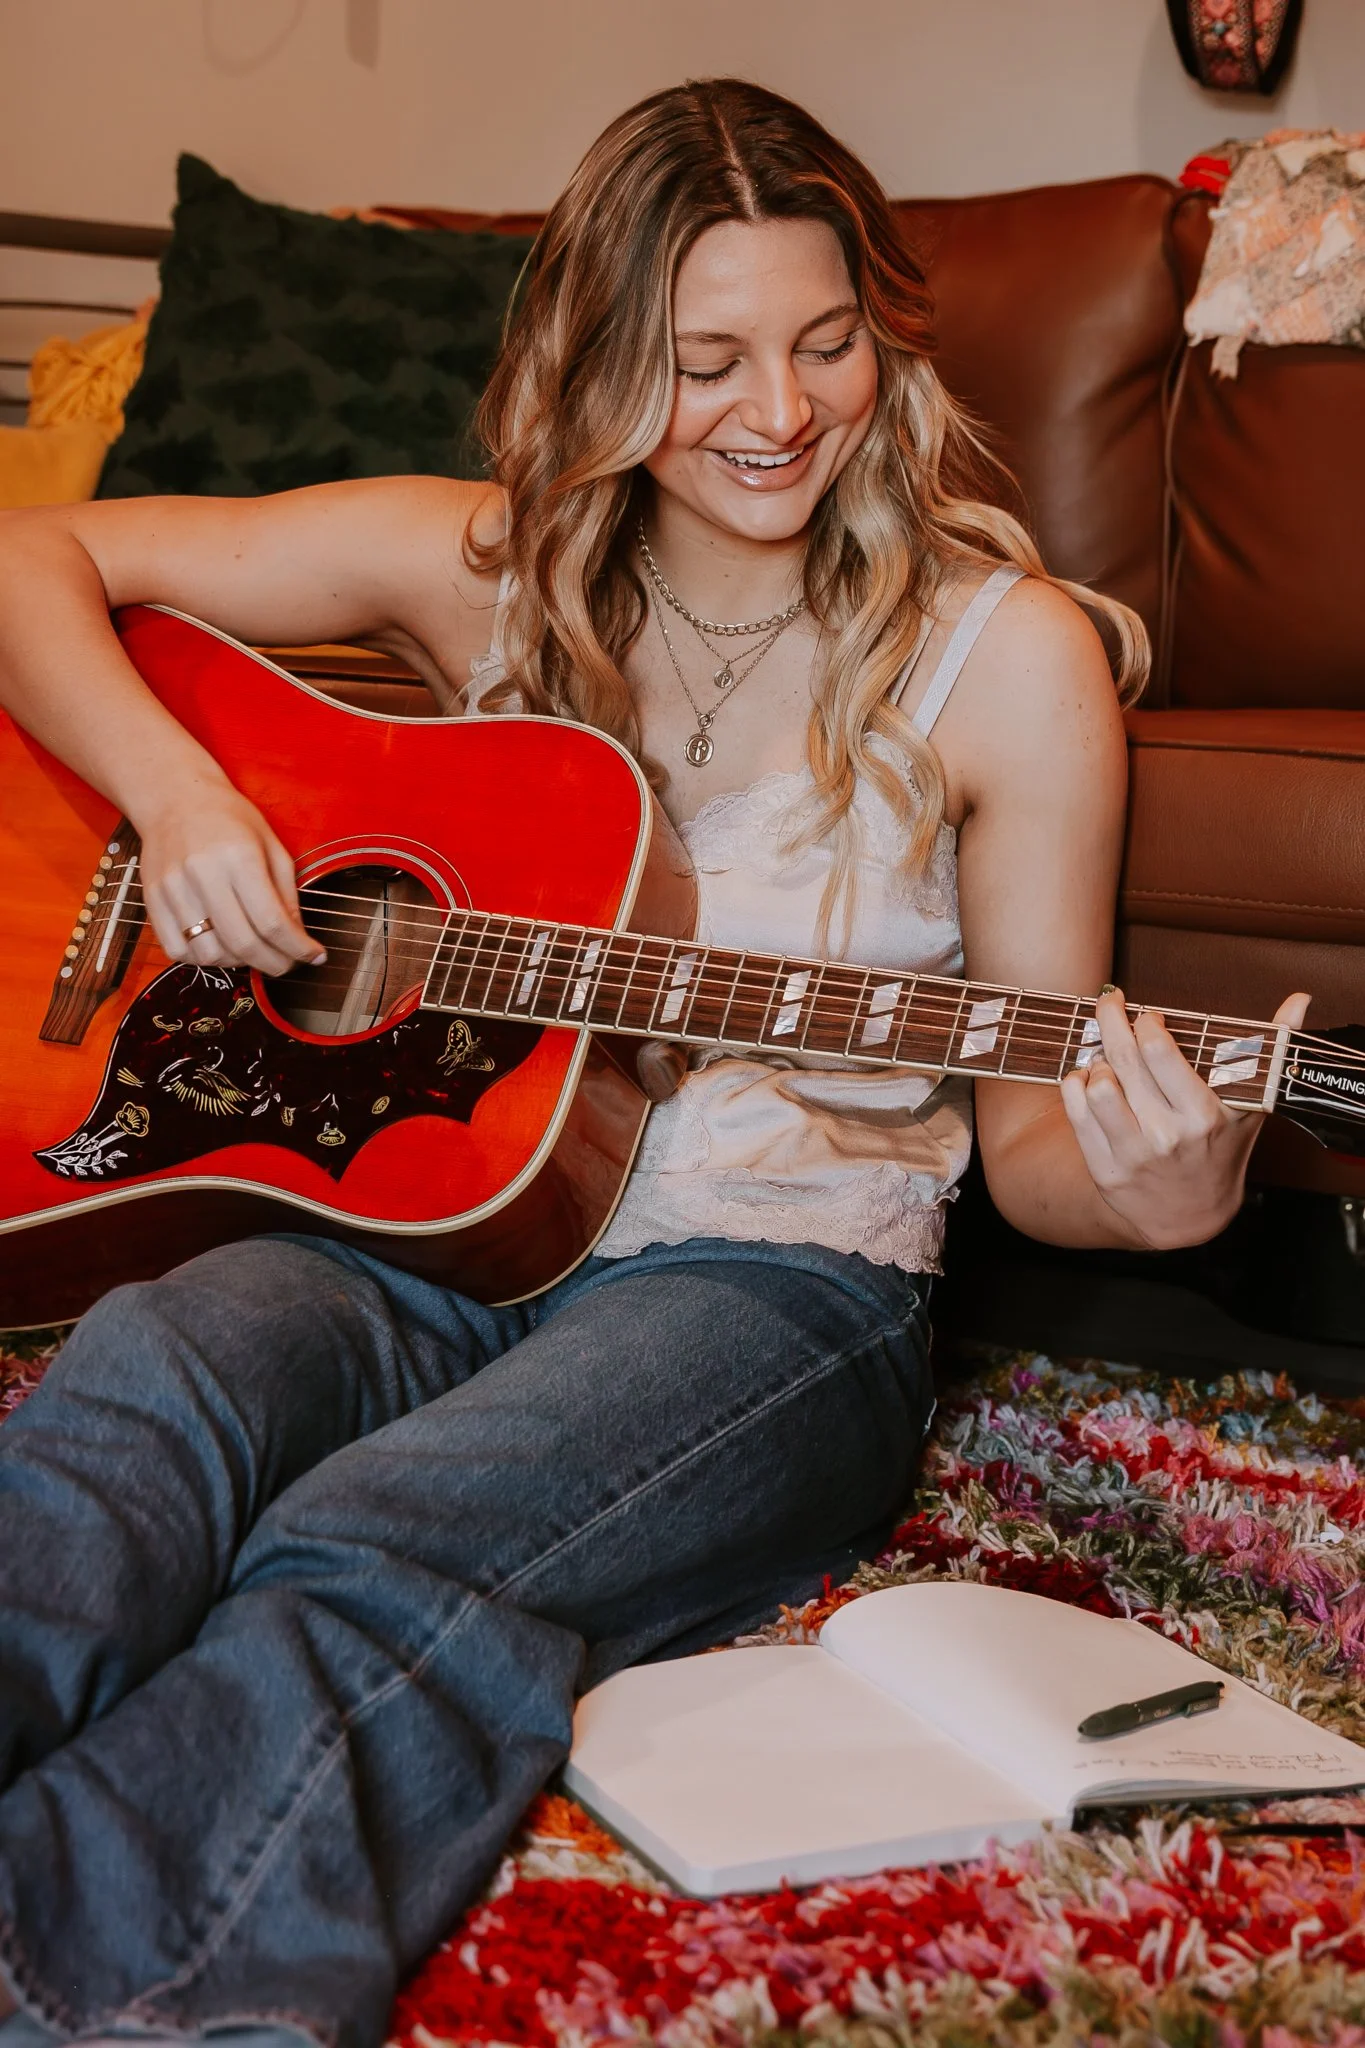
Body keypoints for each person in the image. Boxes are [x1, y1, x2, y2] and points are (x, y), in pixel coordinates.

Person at [0, 78, 1305, 2048]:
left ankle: (87, 1986)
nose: (776, 413)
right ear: (598, 363)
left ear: (886, 331)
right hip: (432, 1214)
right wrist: (178, 797)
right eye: (701, 362)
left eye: (824, 342)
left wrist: (1168, 1180)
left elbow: (1034, 1142)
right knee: (146, 1384)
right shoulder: (488, 562)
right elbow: (31, 564)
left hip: (772, 1285)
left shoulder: (1007, 656)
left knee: (385, 1542)